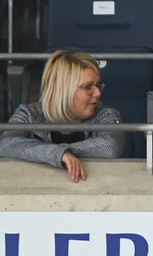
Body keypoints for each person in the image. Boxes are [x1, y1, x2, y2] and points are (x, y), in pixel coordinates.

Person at [0, 51, 124, 182]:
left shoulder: (105, 114)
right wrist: (58, 154)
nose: (98, 93)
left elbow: (110, 147)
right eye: (88, 87)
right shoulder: (29, 114)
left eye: (98, 85)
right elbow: (5, 143)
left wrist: (62, 151)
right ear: (63, 90)